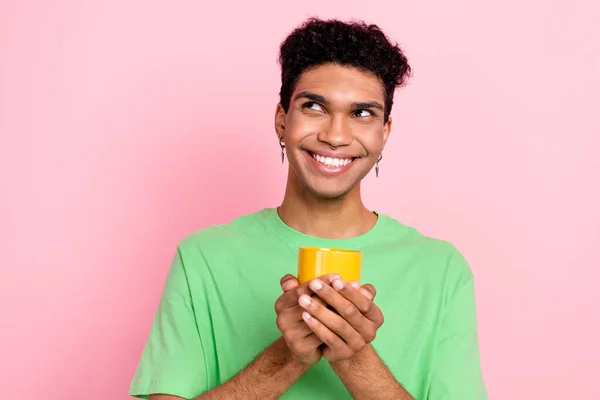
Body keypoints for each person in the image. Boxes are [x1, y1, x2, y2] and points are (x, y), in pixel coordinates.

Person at [129, 17, 487, 400]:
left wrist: (354, 357)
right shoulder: (203, 257)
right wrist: (288, 355)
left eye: (362, 113)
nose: (335, 136)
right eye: (314, 106)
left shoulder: (442, 270)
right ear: (282, 120)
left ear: (384, 132)